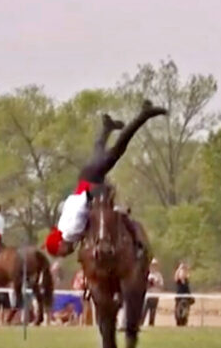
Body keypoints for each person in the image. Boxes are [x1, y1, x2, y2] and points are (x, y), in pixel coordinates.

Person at [45, 101, 168, 257]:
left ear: (60, 244)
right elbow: (74, 204)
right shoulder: (63, 227)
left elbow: (84, 210)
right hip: (86, 178)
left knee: (118, 148)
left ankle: (144, 114)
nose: (64, 255)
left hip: (92, 182)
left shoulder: (71, 232)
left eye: (61, 253)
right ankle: (106, 128)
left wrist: (90, 197)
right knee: (99, 151)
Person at [142, 258, 164, 326]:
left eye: (155, 265)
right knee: (144, 311)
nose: (153, 266)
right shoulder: (147, 274)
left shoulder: (159, 275)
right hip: (147, 295)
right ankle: (140, 324)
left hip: (155, 295)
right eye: (152, 265)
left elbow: (161, 286)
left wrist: (155, 283)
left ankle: (151, 324)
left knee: (153, 311)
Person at [174, 262, 193, 327]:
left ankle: (184, 323)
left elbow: (189, 274)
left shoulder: (186, 281)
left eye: (184, 273)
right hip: (179, 299)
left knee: (185, 313)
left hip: (186, 299)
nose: (183, 274)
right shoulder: (178, 281)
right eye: (182, 273)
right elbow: (176, 276)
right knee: (178, 314)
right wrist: (179, 268)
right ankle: (179, 324)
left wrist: (186, 268)